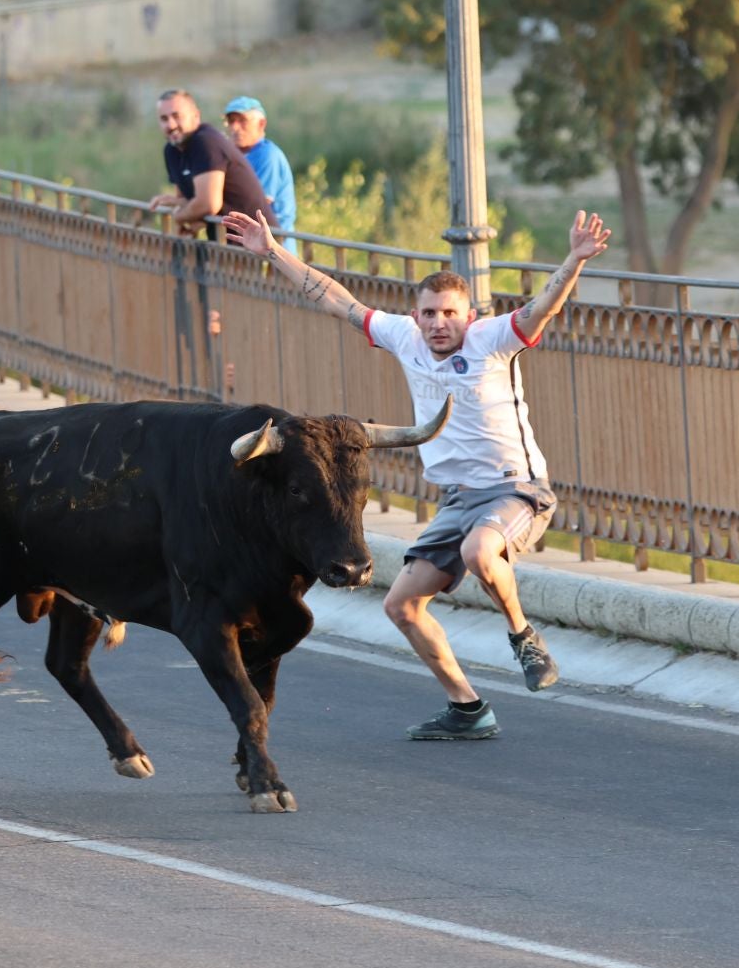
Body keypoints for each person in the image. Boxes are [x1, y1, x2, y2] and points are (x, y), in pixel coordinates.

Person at [223, 206, 611, 740]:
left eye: (449, 313)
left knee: (480, 554)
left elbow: (542, 307)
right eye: (428, 313)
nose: (437, 324)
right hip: (457, 499)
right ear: (417, 315)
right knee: (401, 605)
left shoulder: (494, 339)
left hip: (514, 489)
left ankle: (524, 638)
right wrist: (272, 251)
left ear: (468, 315)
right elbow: (335, 297)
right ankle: (468, 708)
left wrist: (574, 260)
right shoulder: (404, 337)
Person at [150, 89, 271, 240]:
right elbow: (188, 201)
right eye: (164, 119)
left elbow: (208, 203)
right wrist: (178, 207)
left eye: (177, 116)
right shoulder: (171, 150)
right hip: (221, 243)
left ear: (196, 116)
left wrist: (178, 218)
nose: (171, 125)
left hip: (257, 245)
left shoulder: (206, 142)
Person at [223, 95, 298, 254]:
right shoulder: (238, 155)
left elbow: (257, 203)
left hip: (276, 246)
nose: (235, 128)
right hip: (253, 244)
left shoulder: (267, 155)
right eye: (231, 121)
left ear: (261, 124)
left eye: (242, 121)